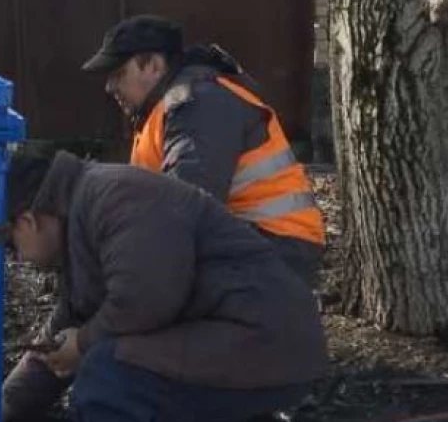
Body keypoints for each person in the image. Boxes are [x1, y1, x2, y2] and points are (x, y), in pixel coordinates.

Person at [4, 152, 327, 422]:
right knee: (141, 383)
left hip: (264, 341)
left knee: (110, 380)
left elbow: (145, 300)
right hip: (256, 345)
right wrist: (5, 409)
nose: (16, 258)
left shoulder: (115, 197)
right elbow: (65, 327)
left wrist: (83, 344)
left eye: (10, 244)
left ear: (29, 219)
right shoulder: (83, 219)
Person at [82, 15, 325, 286]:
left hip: (276, 250)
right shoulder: (177, 105)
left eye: (118, 74)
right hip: (260, 245)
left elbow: (188, 205)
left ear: (153, 65)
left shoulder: (198, 103)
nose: (109, 87)